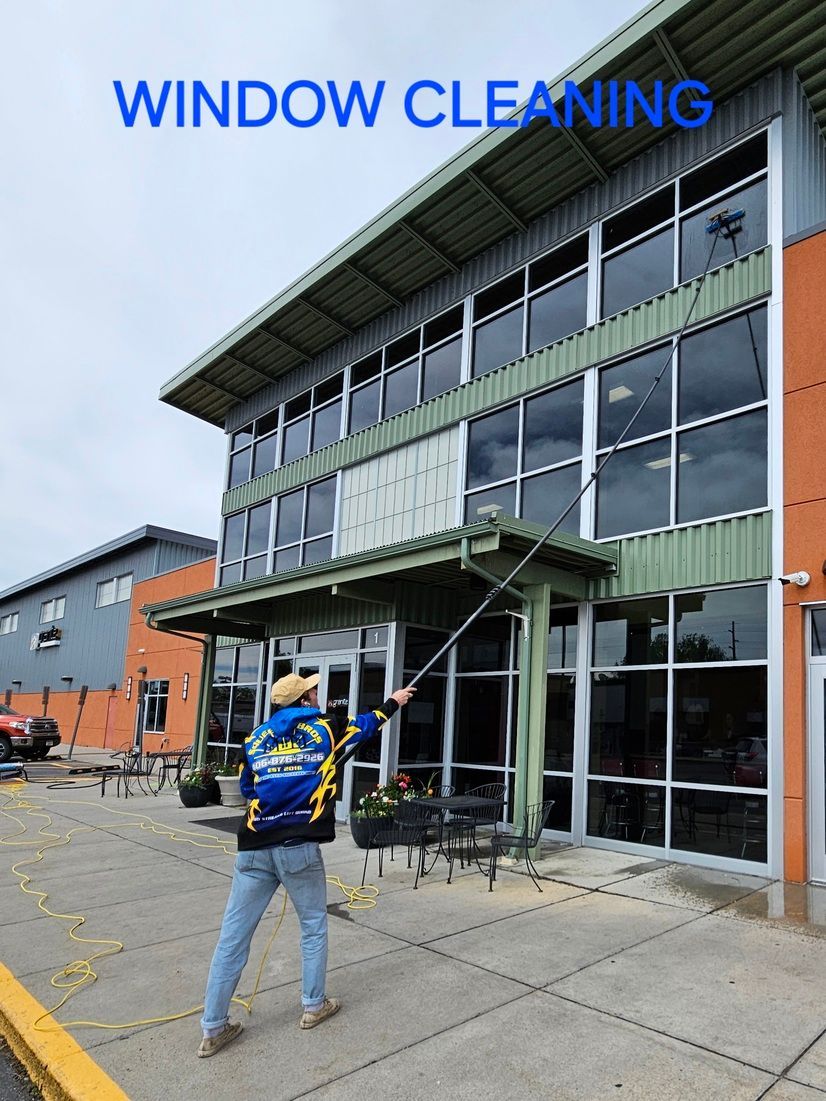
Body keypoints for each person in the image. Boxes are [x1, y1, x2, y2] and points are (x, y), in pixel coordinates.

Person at [198, 671, 416, 1057]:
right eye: (313, 691)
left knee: (232, 939)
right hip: (297, 846)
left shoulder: (256, 738)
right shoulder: (326, 728)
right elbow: (367, 725)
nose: (318, 695)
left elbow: (249, 788)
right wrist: (394, 702)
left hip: (254, 847)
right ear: (303, 700)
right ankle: (313, 1007)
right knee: (313, 927)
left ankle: (213, 1029)